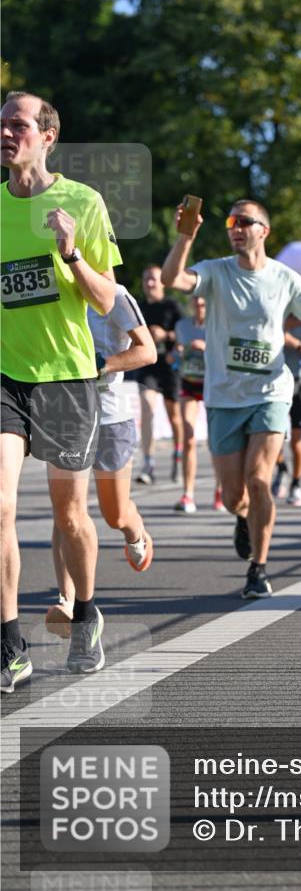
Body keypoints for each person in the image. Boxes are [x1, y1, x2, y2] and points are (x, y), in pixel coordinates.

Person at [161, 199, 301, 599]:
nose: (235, 228)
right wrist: (185, 236)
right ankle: (243, 518)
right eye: (230, 222)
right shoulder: (216, 271)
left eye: (245, 221)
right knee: (233, 496)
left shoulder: (285, 278)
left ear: (264, 229)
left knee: (260, 479)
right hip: (224, 396)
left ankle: (258, 569)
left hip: (270, 391)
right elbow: (171, 277)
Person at [1, 91, 121, 692]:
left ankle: (87, 616)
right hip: (5, 377)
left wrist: (71, 253)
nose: (4, 134)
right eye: (1, 125)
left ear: (48, 136)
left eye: (17, 125)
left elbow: (106, 299)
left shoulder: (83, 202)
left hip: (67, 378)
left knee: (69, 512)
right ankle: (9, 643)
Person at [46, 284, 157, 635]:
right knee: (66, 511)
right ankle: (67, 599)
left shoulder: (118, 295)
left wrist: (101, 365)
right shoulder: (57, 290)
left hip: (111, 419)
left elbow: (147, 352)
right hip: (67, 415)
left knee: (115, 514)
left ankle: (135, 531)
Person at [172, 294, 224, 513]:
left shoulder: (219, 324)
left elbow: (225, 354)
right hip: (189, 382)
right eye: (196, 302)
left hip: (212, 384)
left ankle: (220, 492)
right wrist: (180, 353)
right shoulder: (182, 326)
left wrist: (206, 347)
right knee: (189, 436)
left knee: (216, 441)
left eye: (203, 303)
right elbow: (175, 356)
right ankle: (188, 494)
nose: (199, 307)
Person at [134, 265, 184, 485]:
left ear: (162, 283)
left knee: (175, 418)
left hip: (170, 367)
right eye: (146, 279)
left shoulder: (172, 306)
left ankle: (179, 457)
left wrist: (167, 334)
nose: (150, 283)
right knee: (147, 408)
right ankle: (148, 462)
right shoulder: (139, 307)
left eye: (153, 279)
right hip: (147, 367)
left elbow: (186, 332)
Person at [271, 327, 301, 507]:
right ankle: (281, 468)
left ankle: (296, 483)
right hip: (274, 382)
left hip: (299, 382)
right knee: (272, 436)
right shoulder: (275, 317)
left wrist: (294, 343)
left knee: (296, 439)